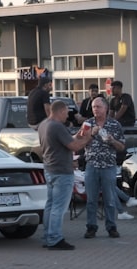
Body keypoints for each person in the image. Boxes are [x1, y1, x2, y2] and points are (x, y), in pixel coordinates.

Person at [38, 100, 92, 250]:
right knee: (59, 207)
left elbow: (67, 140)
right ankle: (55, 239)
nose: (68, 115)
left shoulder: (44, 125)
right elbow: (74, 146)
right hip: (62, 171)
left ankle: (48, 236)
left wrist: (78, 134)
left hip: (49, 169)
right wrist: (88, 138)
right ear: (60, 111)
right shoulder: (57, 126)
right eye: (67, 112)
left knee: (50, 204)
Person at [81, 96, 125, 239]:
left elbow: (122, 147)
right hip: (92, 165)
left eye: (98, 107)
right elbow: (79, 142)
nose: (95, 110)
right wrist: (91, 135)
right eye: (93, 107)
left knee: (110, 199)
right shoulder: (87, 124)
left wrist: (112, 141)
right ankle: (91, 227)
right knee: (91, 199)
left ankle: (111, 227)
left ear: (106, 108)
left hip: (108, 166)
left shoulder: (115, 124)